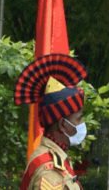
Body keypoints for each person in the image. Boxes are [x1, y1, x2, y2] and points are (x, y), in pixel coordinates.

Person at [13, 53, 89, 190]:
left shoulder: (56, 157)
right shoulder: (50, 170)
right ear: (63, 125)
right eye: (78, 119)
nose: (82, 124)